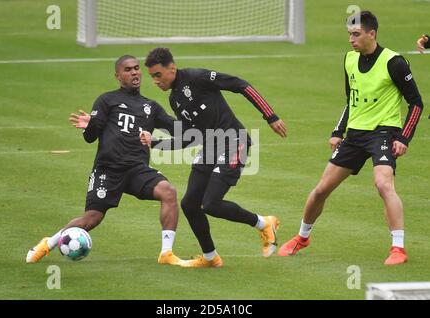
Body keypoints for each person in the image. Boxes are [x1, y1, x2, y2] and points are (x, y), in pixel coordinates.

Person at [278, 11, 424, 265]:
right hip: (355, 135)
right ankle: (302, 237)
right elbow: (352, 100)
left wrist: (404, 137)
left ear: (372, 34)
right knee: (321, 190)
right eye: (349, 34)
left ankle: (398, 248)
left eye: (356, 34)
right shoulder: (349, 60)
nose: (351, 40)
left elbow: (416, 103)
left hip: (383, 132)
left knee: (383, 184)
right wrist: (338, 131)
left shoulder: (394, 62)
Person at [26, 55, 183, 266]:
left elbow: (178, 129)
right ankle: (49, 243)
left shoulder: (150, 107)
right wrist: (92, 124)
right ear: (118, 76)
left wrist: (197, 120)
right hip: (108, 170)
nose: (135, 73)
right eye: (128, 70)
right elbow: (90, 137)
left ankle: (166, 253)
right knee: (91, 219)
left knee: (168, 192)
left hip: (137, 170)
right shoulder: (107, 100)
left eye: (137, 68)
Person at [142, 47, 287, 268]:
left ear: (172, 68)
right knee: (190, 204)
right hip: (209, 148)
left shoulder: (197, 77)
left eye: (158, 75)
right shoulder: (175, 100)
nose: (155, 81)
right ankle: (211, 258)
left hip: (233, 141)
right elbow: (190, 138)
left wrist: (270, 115)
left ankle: (263, 223)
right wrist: (154, 142)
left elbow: (240, 85)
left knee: (210, 203)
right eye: (152, 77)